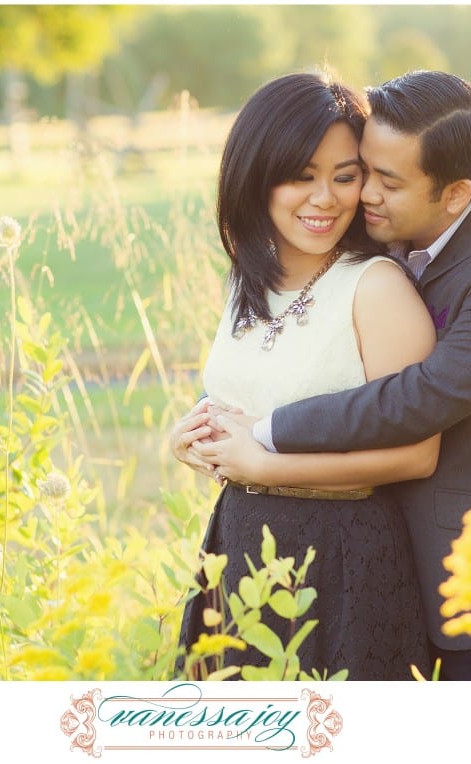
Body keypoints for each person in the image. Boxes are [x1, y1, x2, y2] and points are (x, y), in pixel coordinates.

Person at [194, 70, 471, 681]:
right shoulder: (388, 237)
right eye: (361, 170)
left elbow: (415, 401)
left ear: (454, 194)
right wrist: (211, 420)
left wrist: (263, 434)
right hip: (379, 570)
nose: (359, 193)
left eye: (383, 180)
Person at [171, 71, 440, 681]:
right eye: (302, 176)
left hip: (343, 558)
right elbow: (248, 396)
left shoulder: (376, 290)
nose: (326, 198)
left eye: (345, 177)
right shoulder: (247, 280)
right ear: (256, 175)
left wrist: (265, 467)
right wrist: (190, 436)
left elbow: (418, 453)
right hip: (238, 540)